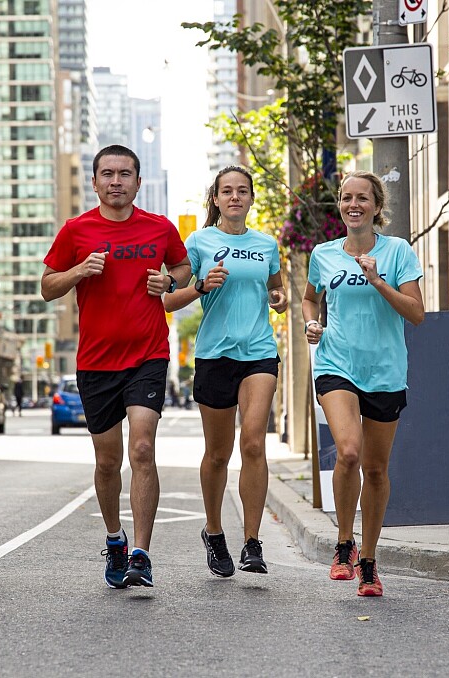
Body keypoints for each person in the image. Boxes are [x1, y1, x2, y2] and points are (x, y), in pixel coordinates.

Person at [41, 144, 190, 589]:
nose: (116, 181)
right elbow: (47, 287)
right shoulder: (76, 230)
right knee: (108, 462)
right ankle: (115, 538)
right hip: (96, 361)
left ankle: (141, 553)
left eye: (125, 174)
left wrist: (169, 281)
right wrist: (79, 271)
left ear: (138, 182)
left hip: (148, 354)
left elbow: (183, 268)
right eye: (107, 173)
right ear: (95, 182)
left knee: (142, 449)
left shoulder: (159, 227)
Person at [302, 170, 424, 597]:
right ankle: (343, 544)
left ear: (376, 206)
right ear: (339, 205)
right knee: (349, 451)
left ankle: (368, 561)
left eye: (362, 198)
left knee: (375, 469)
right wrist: (311, 324)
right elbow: (310, 298)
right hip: (336, 363)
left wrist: (377, 281)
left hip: (385, 371)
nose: (353, 205)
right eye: (346, 198)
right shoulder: (323, 254)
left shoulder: (397, 251)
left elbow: (416, 313)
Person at [163, 165, 287, 578]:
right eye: (227, 191)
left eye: (242, 191)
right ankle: (214, 532)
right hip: (215, 355)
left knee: (253, 443)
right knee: (218, 453)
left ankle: (252, 542)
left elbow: (276, 290)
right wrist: (200, 286)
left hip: (259, 353)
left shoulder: (266, 244)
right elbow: (168, 301)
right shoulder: (199, 242)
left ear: (251, 198)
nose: (235, 197)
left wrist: (280, 299)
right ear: (215, 199)